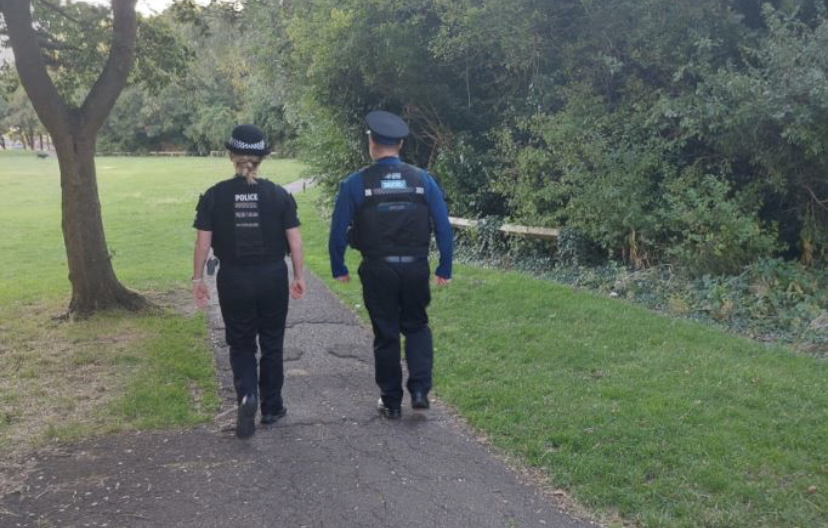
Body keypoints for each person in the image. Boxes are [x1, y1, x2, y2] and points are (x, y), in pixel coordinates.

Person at [329, 110, 453, 419]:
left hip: (378, 269)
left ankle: (391, 400)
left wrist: (338, 266)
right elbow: (442, 226)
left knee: (385, 333)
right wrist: (444, 267)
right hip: (415, 267)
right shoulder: (423, 180)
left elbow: (338, 230)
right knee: (416, 325)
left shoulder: (355, 184)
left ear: (372, 143)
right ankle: (421, 389)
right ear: (399, 144)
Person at [192, 124, 305, 438]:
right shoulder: (279, 195)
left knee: (241, 343)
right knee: (271, 343)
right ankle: (271, 407)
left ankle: (247, 395)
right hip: (271, 277)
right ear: (261, 159)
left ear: (231, 156)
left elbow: (203, 244)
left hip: (234, 279)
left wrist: (197, 279)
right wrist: (298, 276)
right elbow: (295, 241)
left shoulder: (214, 196)